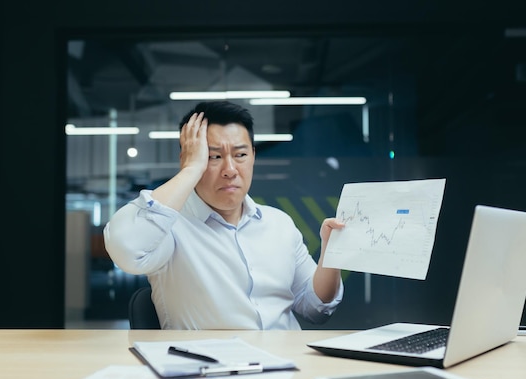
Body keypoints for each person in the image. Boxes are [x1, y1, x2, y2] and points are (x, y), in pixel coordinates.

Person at [103, 101, 345, 329]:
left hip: (288, 364)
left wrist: (331, 252)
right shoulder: (170, 227)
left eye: (240, 155)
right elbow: (126, 250)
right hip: (209, 369)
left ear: (253, 156)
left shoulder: (279, 224)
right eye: (213, 157)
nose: (230, 170)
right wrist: (190, 171)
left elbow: (315, 308)